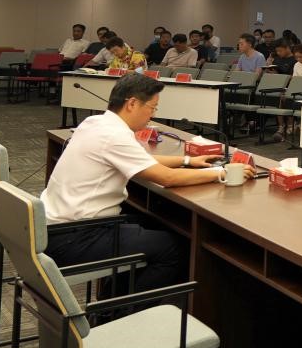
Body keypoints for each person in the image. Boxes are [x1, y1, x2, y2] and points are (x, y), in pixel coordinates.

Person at [42, 74, 254, 302]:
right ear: (132, 103)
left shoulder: (95, 123)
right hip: (75, 237)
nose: (153, 114)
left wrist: (187, 161)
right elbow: (167, 178)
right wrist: (223, 173)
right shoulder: (114, 135)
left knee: (150, 225)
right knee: (175, 249)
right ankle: (122, 313)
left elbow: (141, 159)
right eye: (152, 108)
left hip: (54, 228)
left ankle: (109, 305)